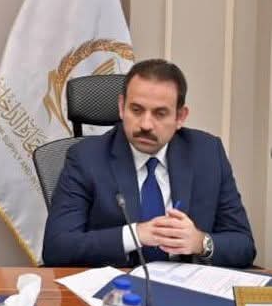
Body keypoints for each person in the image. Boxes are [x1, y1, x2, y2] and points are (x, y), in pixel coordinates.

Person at [43, 59, 255, 268]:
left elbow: (244, 245)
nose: (145, 125)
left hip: (186, 284)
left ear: (180, 117)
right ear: (121, 107)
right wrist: (135, 235)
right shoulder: (86, 158)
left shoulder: (207, 153)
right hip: (118, 284)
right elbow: (57, 247)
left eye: (160, 114)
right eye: (136, 110)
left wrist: (200, 242)